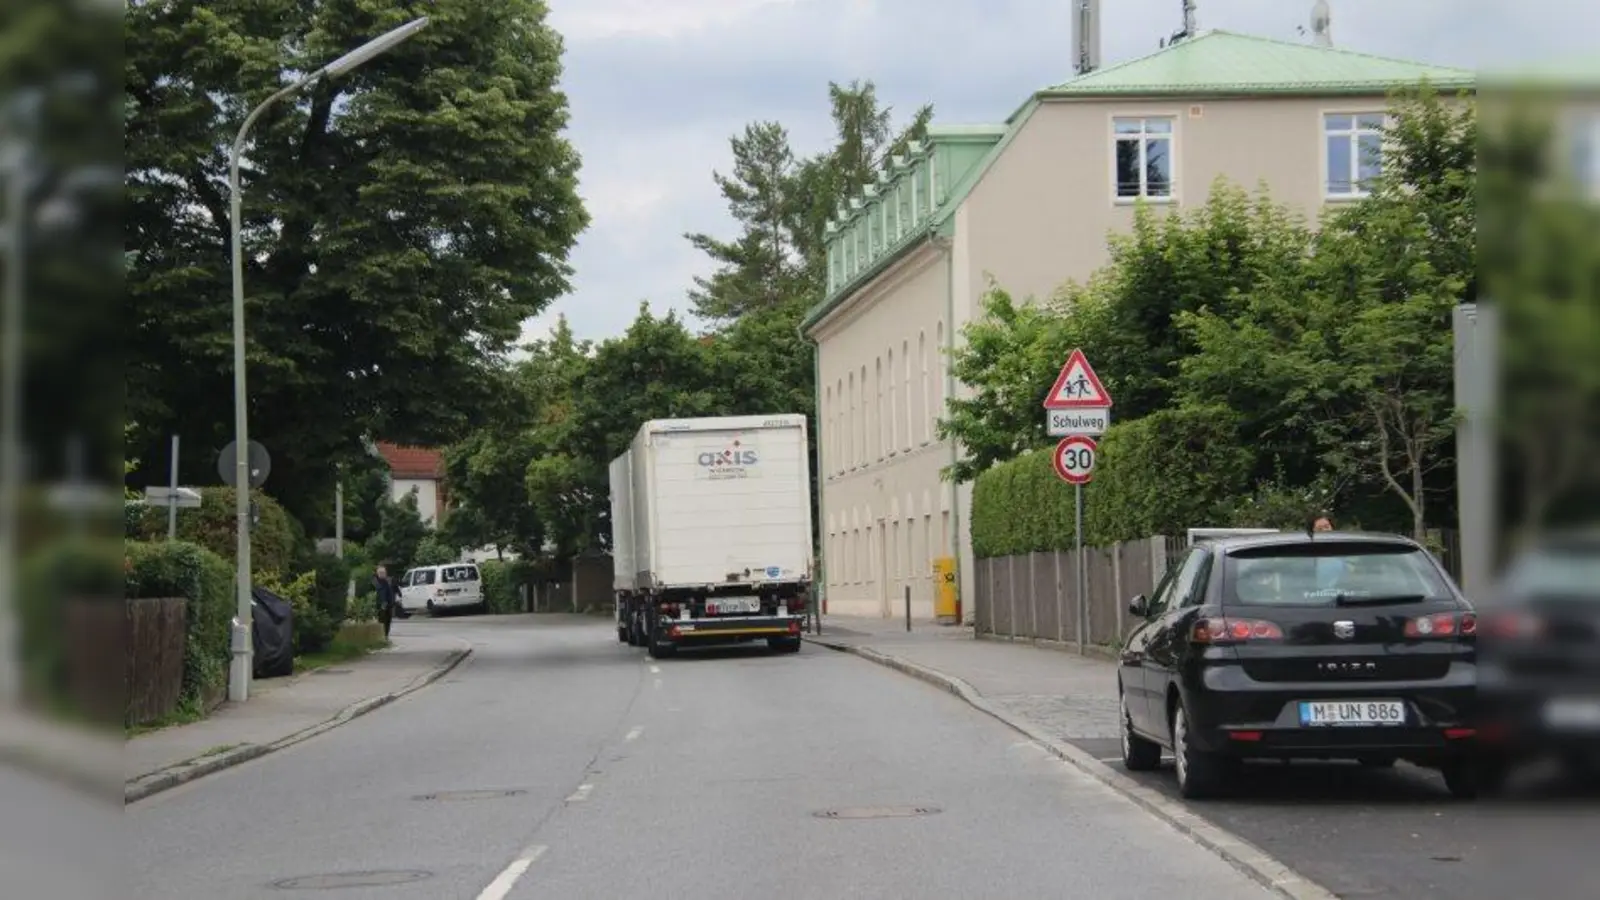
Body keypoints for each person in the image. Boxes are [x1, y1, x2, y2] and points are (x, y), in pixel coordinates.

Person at [373, 565, 399, 639]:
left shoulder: (387, 581)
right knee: (381, 621)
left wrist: (393, 601)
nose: (382, 574)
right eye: (380, 572)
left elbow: (392, 591)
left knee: (388, 621)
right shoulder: (375, 582)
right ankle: (381, 636)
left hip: (389, 605)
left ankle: (386, 636)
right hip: (380, 605)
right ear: (377, 573)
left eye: (384, 572)